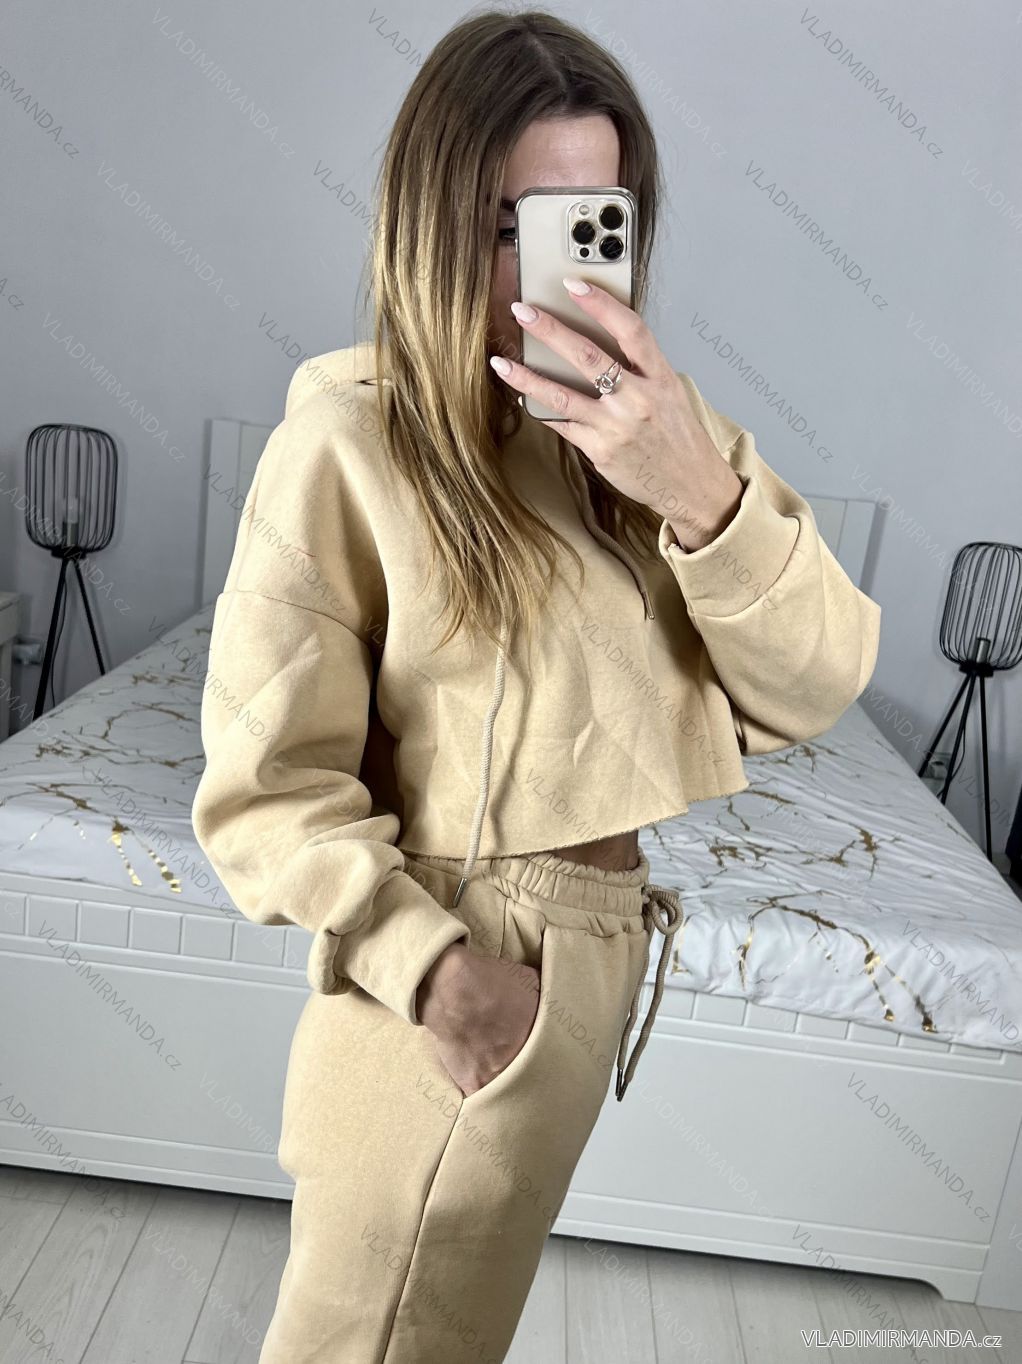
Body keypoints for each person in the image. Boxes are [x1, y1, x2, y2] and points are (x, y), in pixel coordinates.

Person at [191, 9, 882, 1362]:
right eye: (505, 223)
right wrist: (441, 978)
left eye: (585, 222)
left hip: (583, 970)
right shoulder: (349, 438)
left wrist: (696, 493)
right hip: (449, 978)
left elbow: (816, 685)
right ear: (429, 217)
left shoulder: (664, 438)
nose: (542, 265)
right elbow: (264, 789)